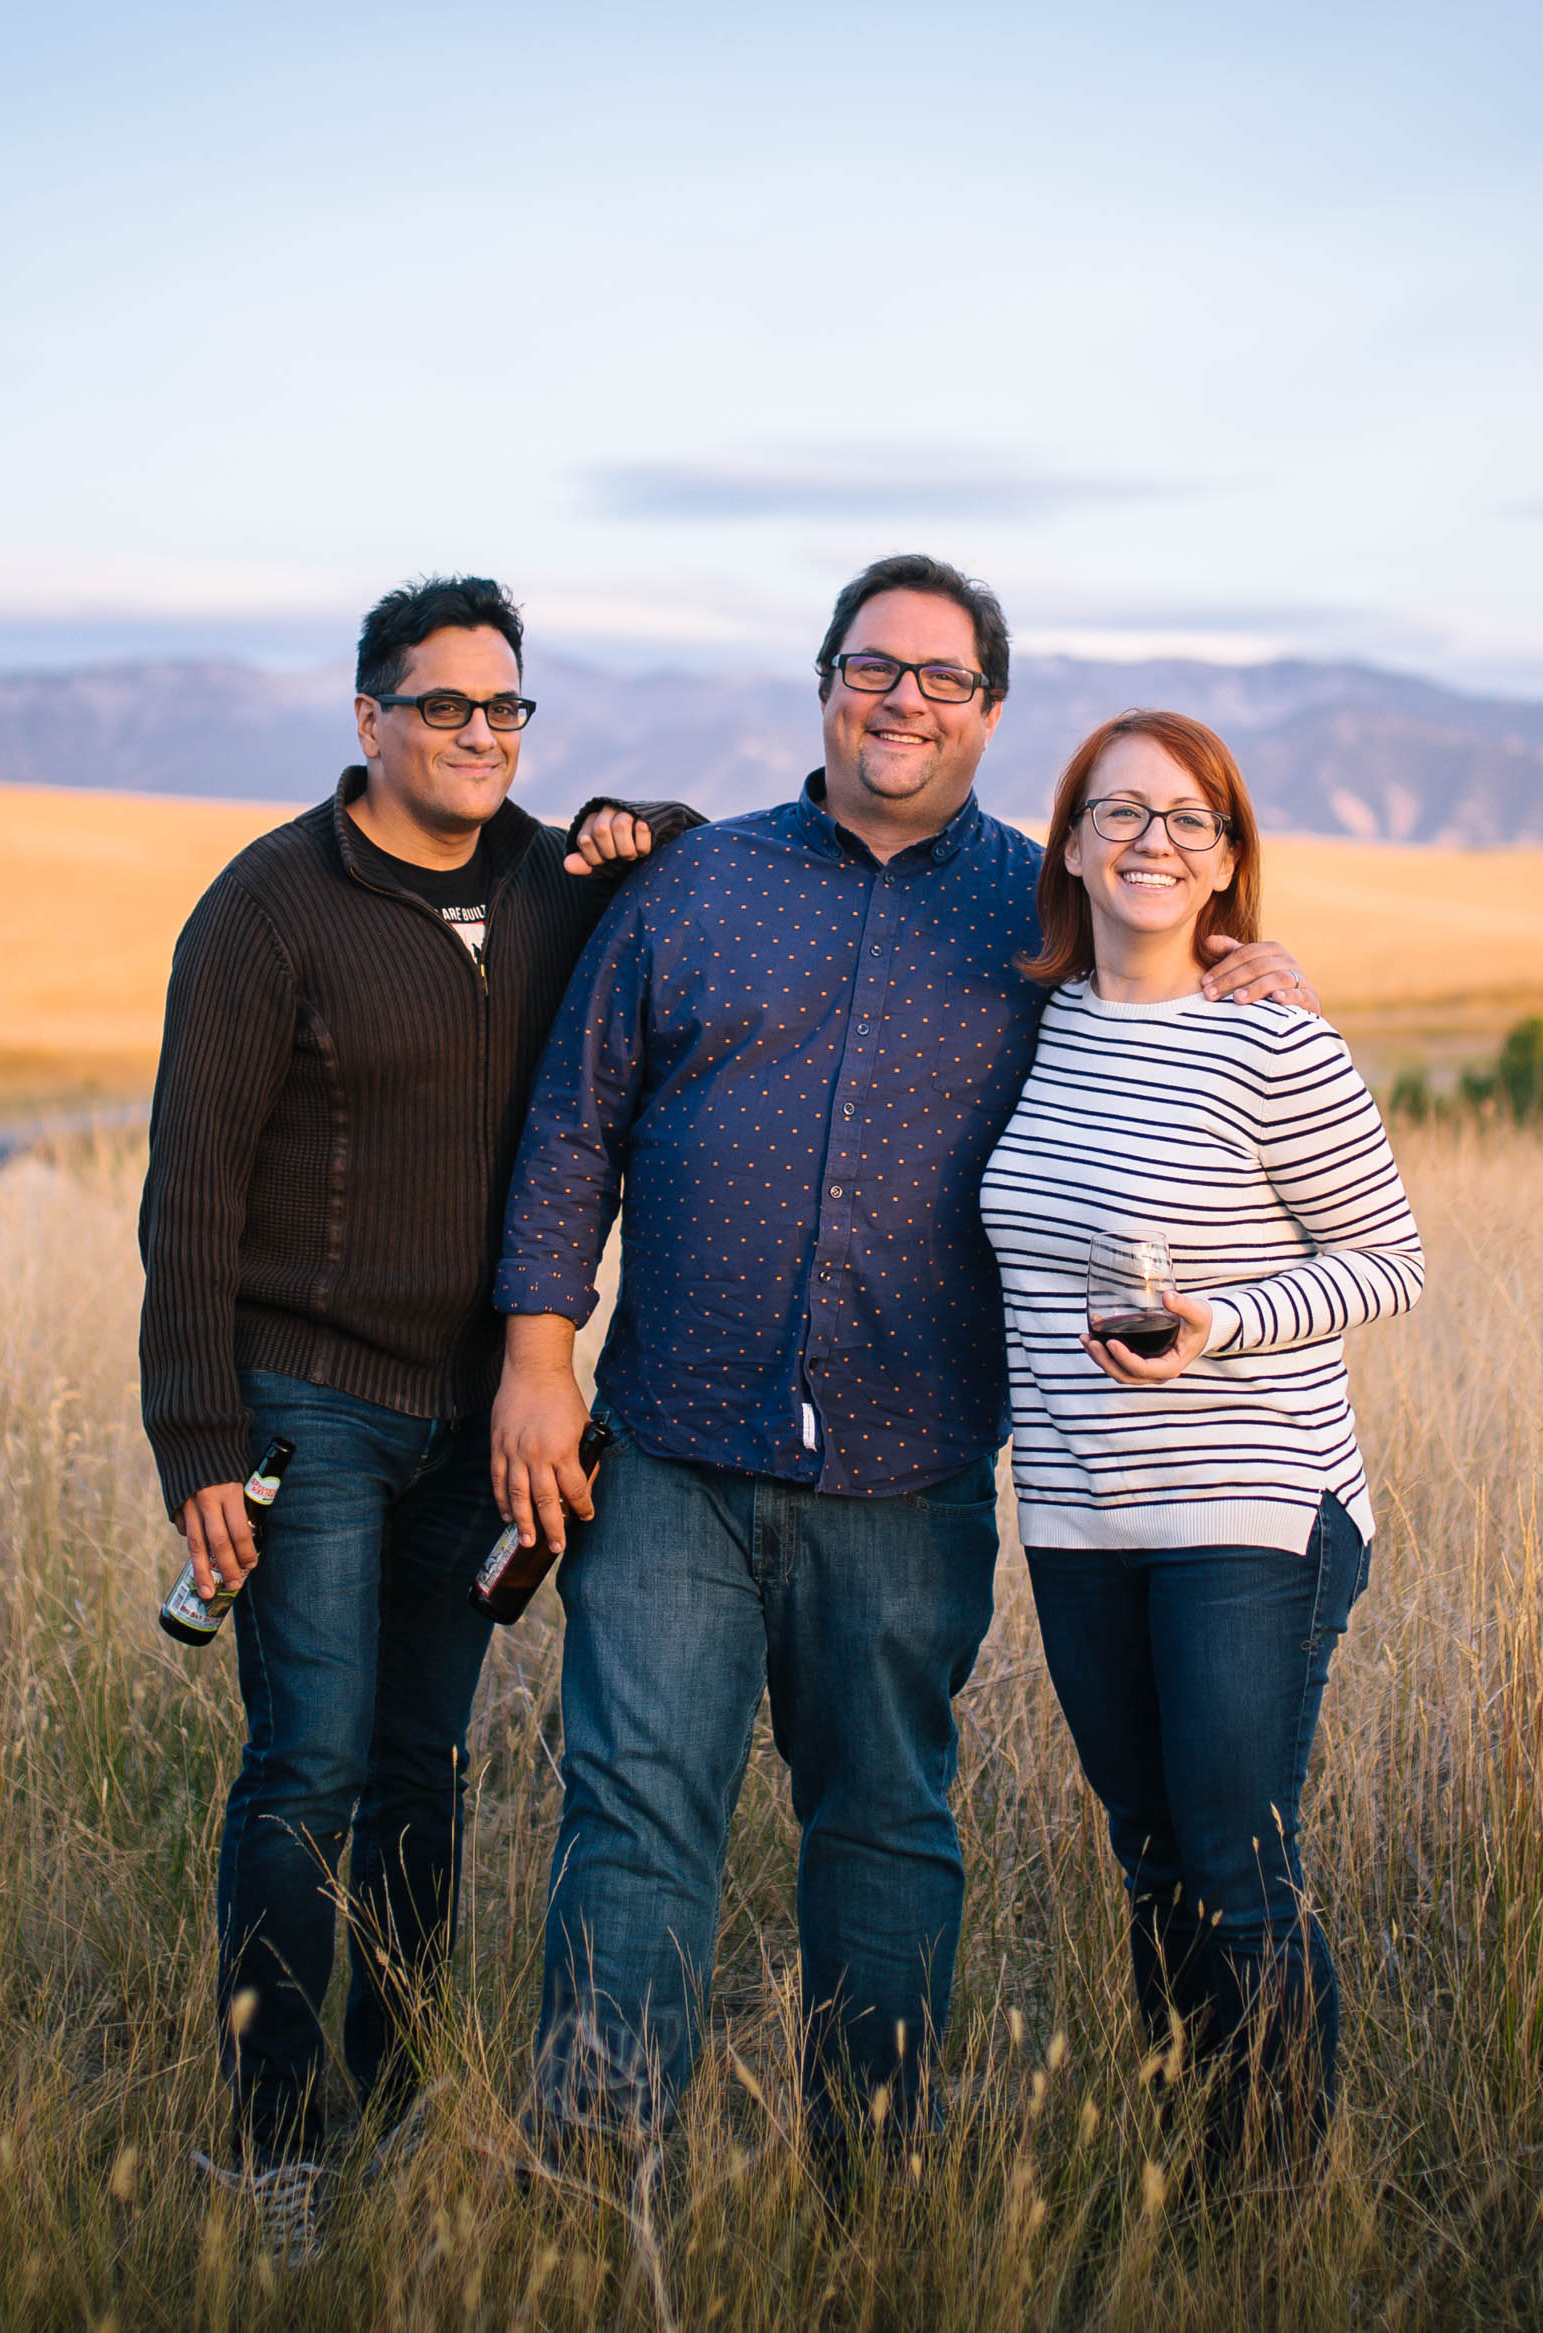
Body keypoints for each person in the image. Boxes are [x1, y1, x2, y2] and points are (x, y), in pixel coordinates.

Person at [490, 555, 1320, 2153]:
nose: (905, 701)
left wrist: (1245, 966)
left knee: (881, 1826)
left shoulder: (1048, 913)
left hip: (910, 1460)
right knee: (634, 1816)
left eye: (945, 680)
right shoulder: (696, 885)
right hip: (668, 1447)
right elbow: (573, 1125)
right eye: (877, 667)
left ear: (993, 715)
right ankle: (595, 2194)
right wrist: (540, 1362)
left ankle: (876, 2190)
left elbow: (1176, 991)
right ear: (823, 686)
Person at [135, 576, 694, 2237]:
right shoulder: (269, 906)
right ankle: (272, 2143)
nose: (478, 736)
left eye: (506, 708)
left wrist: (635, 818)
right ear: (367, 715)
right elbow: (192, 1191)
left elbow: (699, 854)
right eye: (443, 706)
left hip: (484, 1418)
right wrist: (199, 1439)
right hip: (311, 1405)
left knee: (423, 1768)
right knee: (306, 1763)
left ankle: (383, 2106)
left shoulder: (546, 879)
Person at [976, 709, 1424, 2165]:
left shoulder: (1272, 1040)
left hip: (1254, 1506)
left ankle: (1277, 2205)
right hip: (1080, 1515)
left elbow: (1390, 1260)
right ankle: (1193, 2170)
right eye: (1121, 814)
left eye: (1189, 820)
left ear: (1228, 858)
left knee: (1238, 1863)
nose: (1153, 842)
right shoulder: (1030, 1024)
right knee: (1152, 1862)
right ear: (1069, 843)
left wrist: (1221, 1321)